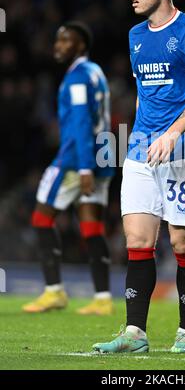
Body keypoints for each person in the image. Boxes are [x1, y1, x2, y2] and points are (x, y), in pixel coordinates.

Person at [93, 0, 185, 353]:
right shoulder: (135, 36)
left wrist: (173, 134)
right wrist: (144, 139)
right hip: (141, 151)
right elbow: (150, 96)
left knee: (182, 242)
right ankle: (135, 334)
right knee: (137, 240)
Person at [23, 21, 115, 315]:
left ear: (81, 46)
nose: (58, 46)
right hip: (104, 155)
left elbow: (81, 122)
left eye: (66, 41)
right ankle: (103, 298)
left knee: (41, 218)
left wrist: (85, 167)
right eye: (57, 40)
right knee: (92, 227)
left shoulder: (77, 77)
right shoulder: (97, 72)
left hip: (77, 159)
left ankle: (54, 292)